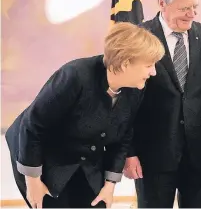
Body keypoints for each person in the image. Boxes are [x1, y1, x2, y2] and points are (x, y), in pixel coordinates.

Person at [4, 22, 165, 208]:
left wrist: (109, 185)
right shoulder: (74, 76)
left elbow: (124, 135)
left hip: (86, 158)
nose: (153, 72)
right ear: (126, 63)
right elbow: (31, 127)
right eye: (149, 65)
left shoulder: (135, 88)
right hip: (44, 156)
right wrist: (33, 184)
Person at [123, 0, 201, 208]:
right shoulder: (138, 36)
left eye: (195, 6)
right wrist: (128, 152)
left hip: (198, 152)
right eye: (184, 8)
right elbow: (127, 102)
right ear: (162, 3)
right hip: (151, 155)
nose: (192, 14)